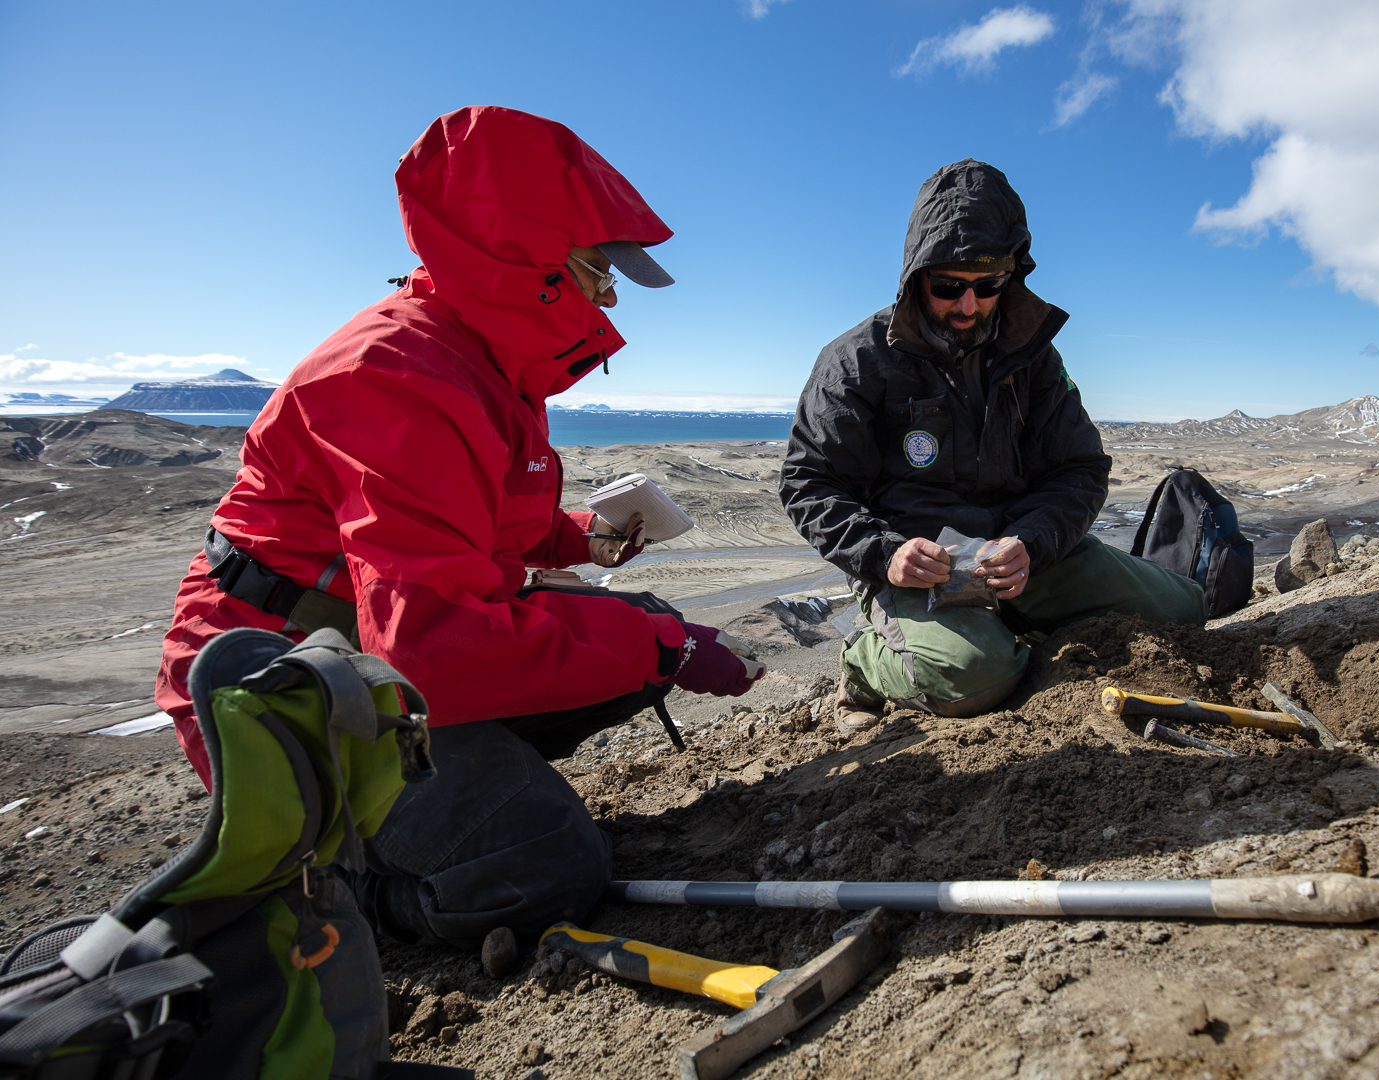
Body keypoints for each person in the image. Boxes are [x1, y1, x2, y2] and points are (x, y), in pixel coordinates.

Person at [154, 106, 763, 951]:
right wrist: (664, 645)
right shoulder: (396, 376)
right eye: (599, 271)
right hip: (278, 689)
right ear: (531, 264)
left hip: (363, 660)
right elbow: (432, 640)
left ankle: (454, 793)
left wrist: (577, 535)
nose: (611, 296)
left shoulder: (479, 358)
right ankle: (338, 888)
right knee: (546, 865)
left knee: (636, 632)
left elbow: (468, 529)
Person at [779, 159, 1205, 729]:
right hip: (920, 568)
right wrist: (886, 554)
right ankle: (865, 663)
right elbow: (809, 483)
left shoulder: (1034, 356)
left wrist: (1033, 540)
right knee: (970, 680)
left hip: (1025, 557)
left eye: (988, 287)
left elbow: (1079, 468)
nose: (968, 306)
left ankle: (1008, 620)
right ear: (915, 276)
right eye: (948, 286)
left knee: (1186, 610)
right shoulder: (857, 361)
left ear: (1012, 276)